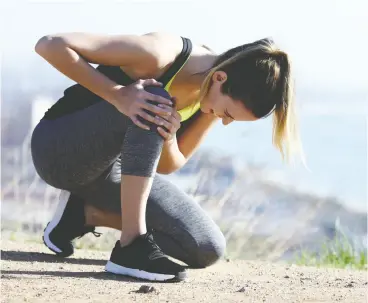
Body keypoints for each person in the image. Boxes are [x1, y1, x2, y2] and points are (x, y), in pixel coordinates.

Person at [31, 31, 302, 282]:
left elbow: (169, 164)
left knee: (206, 247)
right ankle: (131, 246)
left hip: (109, 173)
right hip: (58, 151)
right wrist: (118, 95)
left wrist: (169, 136)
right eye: (229, 114)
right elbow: (50, 45)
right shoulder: (159, 55)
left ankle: (83, 213)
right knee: (153, 100)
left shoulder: (210, 97)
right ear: (220, 78)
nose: (226, 122)